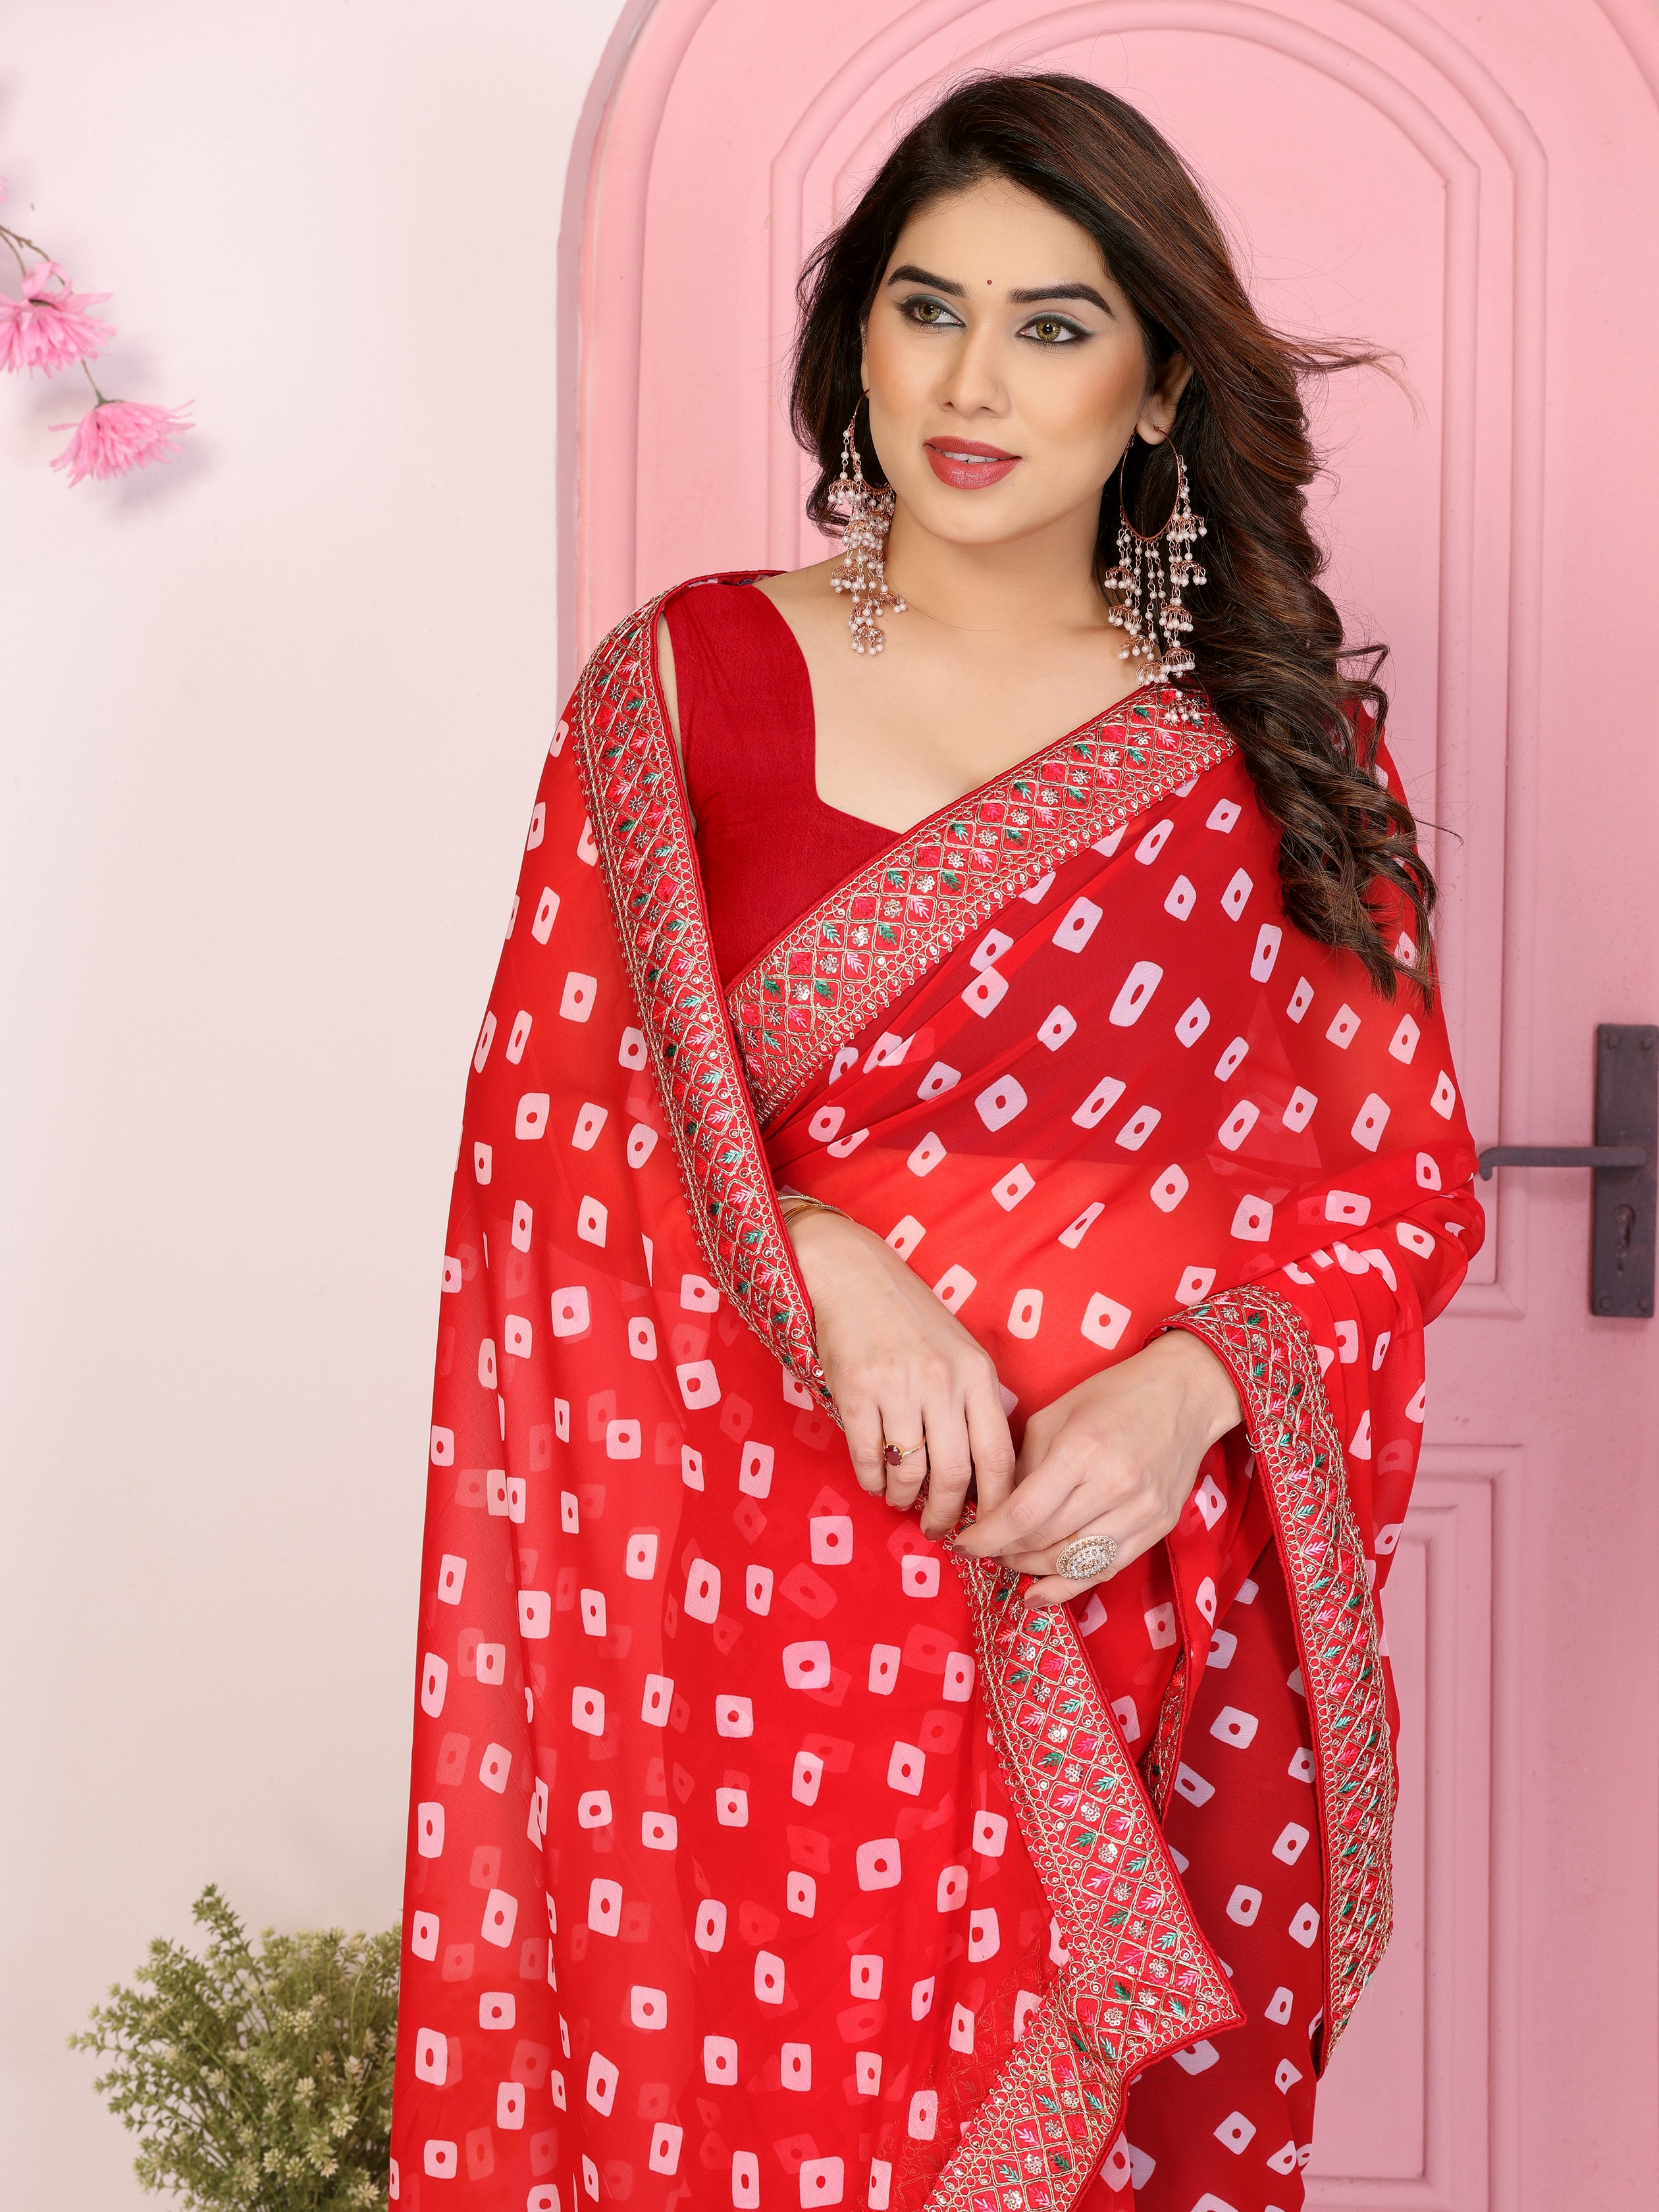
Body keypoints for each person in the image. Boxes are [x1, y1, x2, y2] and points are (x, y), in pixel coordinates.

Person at [390, 72, 1483, 2212]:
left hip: (1108, 1577)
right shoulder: (692, 678)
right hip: (748, 1588)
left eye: (1053, 326)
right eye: (926, 307)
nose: (972, 383)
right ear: (861, 342)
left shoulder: (1270, 747)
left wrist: (1192, 1393)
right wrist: (824, 1255)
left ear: (1162, 386)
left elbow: (1395, 1185)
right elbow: (553, 1139)